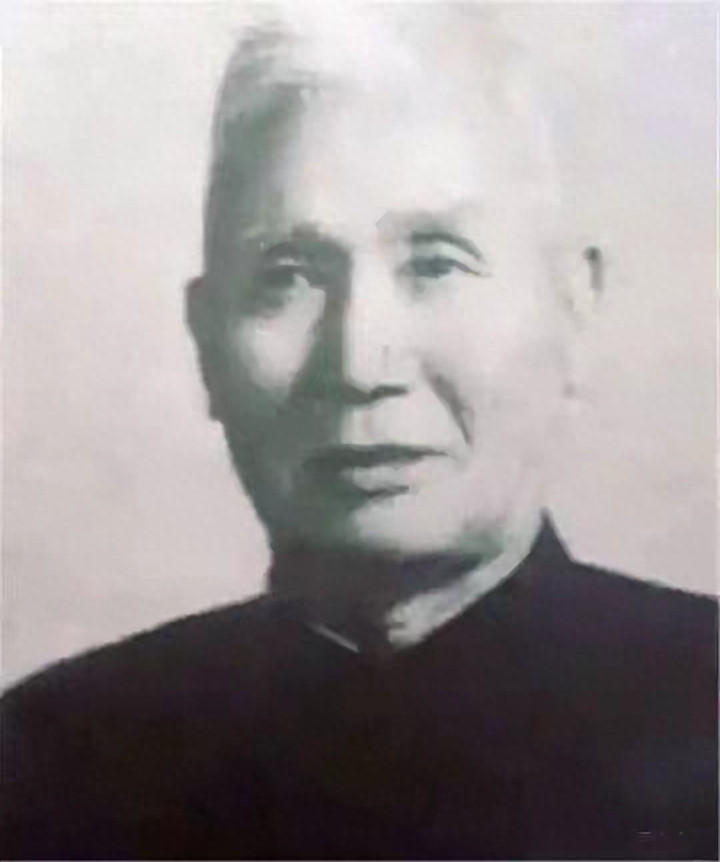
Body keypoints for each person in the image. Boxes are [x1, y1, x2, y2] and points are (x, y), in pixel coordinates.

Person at [2, 7, 717, 860]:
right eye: (288, 276)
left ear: (573, 306)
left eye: (436, 262)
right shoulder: (49, 761)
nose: (358, 362)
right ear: (205, 341)